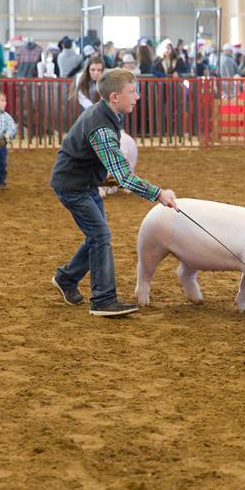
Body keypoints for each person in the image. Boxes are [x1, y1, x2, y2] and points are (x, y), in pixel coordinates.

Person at [50, 68, 179, 316]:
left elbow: (113, 168)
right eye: (132, 91)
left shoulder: (111, 115)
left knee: (97, 235)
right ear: (114, 97)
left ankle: (66, 279)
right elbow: (122, 175)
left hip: (85, 183)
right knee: (100, 235)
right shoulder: (101, 125)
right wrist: (157, 194)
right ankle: (103, 299)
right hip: (73, 186)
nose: (137, 96)